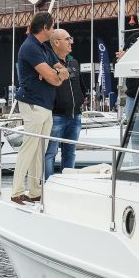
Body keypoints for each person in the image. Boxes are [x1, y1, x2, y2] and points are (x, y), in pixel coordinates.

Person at [11, 11, 68, 205]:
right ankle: (16, 190)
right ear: (44, 28)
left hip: (45, 104)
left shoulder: (43, 47)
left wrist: (56, 74)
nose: (53, 31)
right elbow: (55, 77)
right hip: (33, 103)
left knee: (39, 150)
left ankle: (35, 191)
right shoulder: (30, 47)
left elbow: (61, 70)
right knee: (29, 147)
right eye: (52, 27)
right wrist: (55, 75)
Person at [45, 29, 86, 177]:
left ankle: (67, 184)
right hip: (56, 116)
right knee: (50, 153)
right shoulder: (47, 63)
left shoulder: (73, 62)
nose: (71, 42)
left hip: (75, 115)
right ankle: (47, 185)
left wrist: (82, 98)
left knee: (70, 153)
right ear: (56, 42)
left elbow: (81, 85)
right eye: (67, 39)